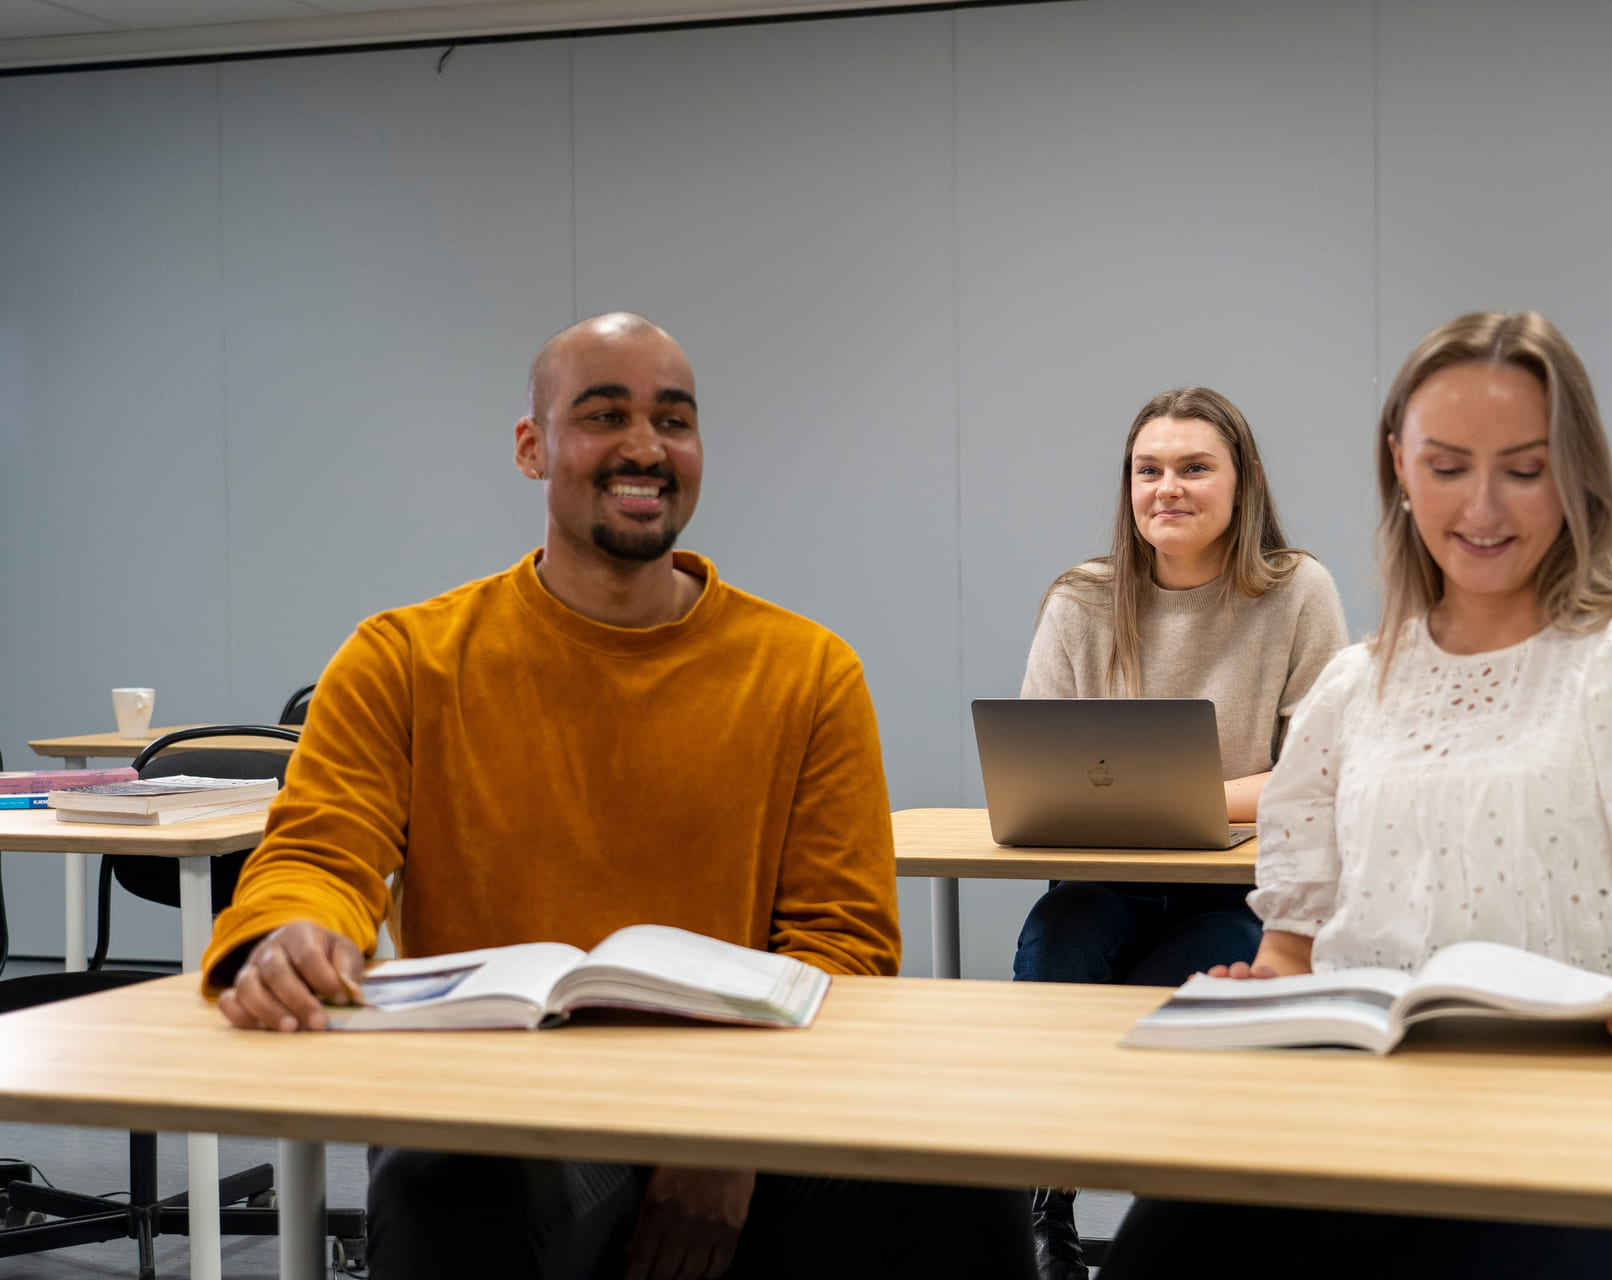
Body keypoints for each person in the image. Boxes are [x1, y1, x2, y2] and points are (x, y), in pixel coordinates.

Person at [201, 312, 1035, 1280]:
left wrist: (725, 1130)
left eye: (673, 421)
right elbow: (318, 852)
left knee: (966, 1173)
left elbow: (842, 948)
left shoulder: (809, 671)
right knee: (448, 1193)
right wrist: (292, 930)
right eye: (603, 415)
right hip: (511, 1109)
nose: (645, 447)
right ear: (532, 447)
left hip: (745, 1088)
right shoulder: (402, 657)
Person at [1099, 312, 1612, 1280]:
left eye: (1523, 468)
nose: (1484, 506)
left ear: (1578, 472)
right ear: (1398, 463)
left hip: (1580, 1125)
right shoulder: (1355, 686)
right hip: (1356, 1114)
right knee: (1157, 1256)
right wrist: (1261, 989)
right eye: (1446, 466)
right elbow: (1293, 949)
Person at [1011, 386, 1347, 1279]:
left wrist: (1183, 794)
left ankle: (1175, 1236)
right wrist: (1207, 791)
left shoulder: (1298, 591)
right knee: (1052, 951)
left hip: (1233, 890)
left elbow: (1321, 770)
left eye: (1195, 467)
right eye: (1148, 469)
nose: (1169, 487)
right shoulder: (1081, 599)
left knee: (1179, 1006)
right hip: (1096, 881)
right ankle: (1044, 1216)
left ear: (1243, 484)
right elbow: (1036, 757)